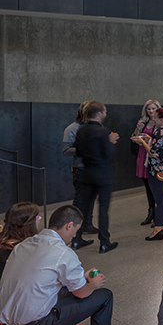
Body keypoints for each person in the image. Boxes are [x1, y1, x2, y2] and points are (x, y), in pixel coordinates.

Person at [0, 205, 112, 325]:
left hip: (8, 324)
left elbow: (44, 275)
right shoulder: (63, 252)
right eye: (76, 230)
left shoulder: (24, 244)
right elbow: (81, 293)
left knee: (68, 291)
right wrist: (93, 284)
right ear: (69, 226)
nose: (75, 235)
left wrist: (82, 277)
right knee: (105, 295)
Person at [74, 101, 119, 254]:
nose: (105, 114)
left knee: (83, 208)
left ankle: (75, 239)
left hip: (87, 174)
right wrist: (111, 141)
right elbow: (108, 154)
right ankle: (104, 242)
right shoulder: (103, 132)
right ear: (99, 113)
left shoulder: (81, 131)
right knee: (103, 209)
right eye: (105, 112)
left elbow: (79, 153)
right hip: (103, 174)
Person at [134, 107, 163, 241]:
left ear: (161, 119)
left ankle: (158, 228)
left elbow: (154, 153)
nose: (153, 119)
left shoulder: (159, 131)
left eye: (156, 117)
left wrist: (142, 142)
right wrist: (149, 140)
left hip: (157, 169)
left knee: (159, 200)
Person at [62, 100, 97, 235]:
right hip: (81, 169)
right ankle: (75, 232)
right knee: (80, 201)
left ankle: (87, 225)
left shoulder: (95, 128)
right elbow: (66, 151)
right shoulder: (71, 129)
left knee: (91, 199)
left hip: (94, 168)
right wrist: (85, 148)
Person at [132, 99, 160, 227]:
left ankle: (160, 213)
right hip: (143, 154)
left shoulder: (160, 122)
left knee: (155, 186)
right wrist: (137, 131)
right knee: (147, 185)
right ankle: (151, 212)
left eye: (153, 108)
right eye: (149, 109)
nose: (151, 111)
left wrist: (149, 140)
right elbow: (134, 137)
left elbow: (160, 140)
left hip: (153, 155)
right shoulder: (143, 122)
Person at [0, 202, 41, 278]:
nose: (40, 218)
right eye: (37, 216)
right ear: (29, 224)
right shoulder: (22, 251)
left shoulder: (4, 242)